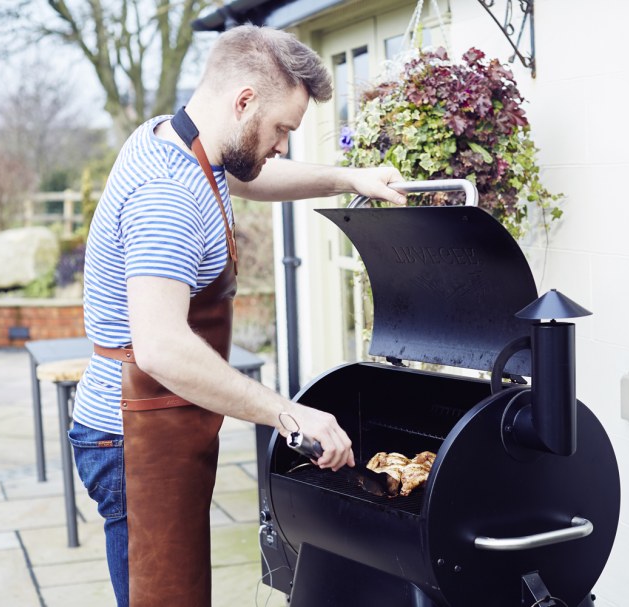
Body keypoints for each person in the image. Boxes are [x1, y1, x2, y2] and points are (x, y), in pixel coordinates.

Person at [68, 24, 406, 607]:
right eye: (282, 130)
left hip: (156, 424)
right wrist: (287, 413)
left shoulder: (181, 142)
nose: (281, 146)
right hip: (132, 440)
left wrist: (347, 178)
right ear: (244, 101)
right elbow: (161, 348)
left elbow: (249, 174)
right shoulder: (168, 190)